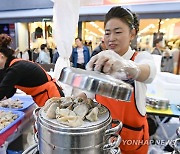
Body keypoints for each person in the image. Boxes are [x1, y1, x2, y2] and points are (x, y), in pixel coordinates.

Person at [86, 6, 156, 154]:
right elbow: (89, 96)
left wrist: (125, 66)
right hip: (102, 139)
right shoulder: (100, 61)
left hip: (131, 141)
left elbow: (148, 72)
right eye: (107, 33)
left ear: (132, 34)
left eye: (118, 32)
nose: (111, 38)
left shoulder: (141, 58)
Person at [0, 34, 64, 107]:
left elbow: (2, 91)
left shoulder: (15, 69)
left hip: (51, 96)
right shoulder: (14, 65)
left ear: (1, 55)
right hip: (46, 97)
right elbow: (10, 90)